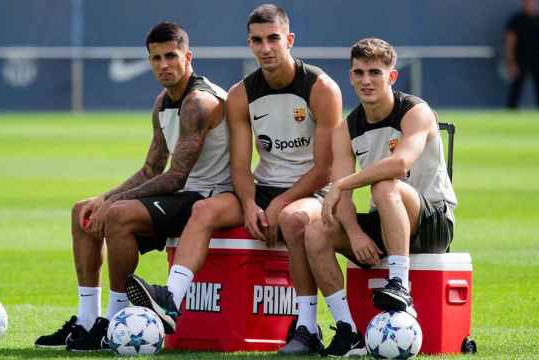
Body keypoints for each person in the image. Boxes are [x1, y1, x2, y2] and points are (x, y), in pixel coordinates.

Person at [125, 4, 341, 356]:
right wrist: (251, 203)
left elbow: (325, 168)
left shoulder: (320, 88)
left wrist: (281, 203)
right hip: (265, 188)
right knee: (205, 210)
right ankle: (169, 301)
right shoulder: (241, 94)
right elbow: (240, 168)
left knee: (293, 219)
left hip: (311, 190)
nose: (266, 48)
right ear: (249, 44)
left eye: (273, 39)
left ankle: (307, 327)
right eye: (257, 41)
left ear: (289, 40)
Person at [34, 21, 232, 351]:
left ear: (188, 56)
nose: (164, 65)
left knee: (118, 215)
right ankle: (86, 321)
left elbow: (176, 176)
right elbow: (152, 168)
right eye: (156, 58)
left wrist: (113, 203)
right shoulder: (162, 102)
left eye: (171, 56)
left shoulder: (200, 101)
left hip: (209, 196)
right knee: (82, 210)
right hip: (184, 196)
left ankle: (113, 319)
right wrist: (104, 197)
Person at [303, 38, 458, 357]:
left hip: (431, 221)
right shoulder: (347, 128)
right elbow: (342, 199)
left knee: (385, 185)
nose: (366, 80)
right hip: (385, 220)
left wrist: (342, 183)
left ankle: (399, 286)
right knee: (316, 230)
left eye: (375, 72)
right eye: (358, 73)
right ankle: (348, 330)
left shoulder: (416, 111)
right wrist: (356, 232)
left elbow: (401, 164)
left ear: (392, 76)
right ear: (350, 77)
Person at [505, 0, 539, 109]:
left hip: (536, 59)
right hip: (520, 59)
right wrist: (511, 62)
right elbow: (510, 42)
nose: (530, 4)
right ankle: (510, 114)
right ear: (523, 3)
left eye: (532, 2)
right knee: (516, 88)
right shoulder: (516, 20)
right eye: (527, 2)